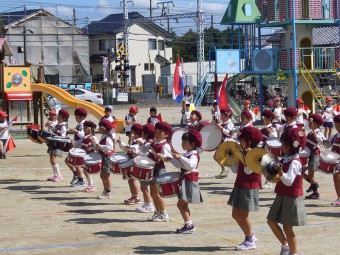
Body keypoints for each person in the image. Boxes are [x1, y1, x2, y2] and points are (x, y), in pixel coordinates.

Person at [267, 127, 306, 255]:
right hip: (282, 195)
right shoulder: (285, 159)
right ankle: (285, 245)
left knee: (288, 227)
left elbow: (289, 181)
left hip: (291, 196)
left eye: (283, 144)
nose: (281, 146)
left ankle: (294, 253)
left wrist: (280, 171)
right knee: (271, 221)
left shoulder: (295, 162)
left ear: (290, 146)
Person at [228, 126, 263, 251]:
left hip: (249, 187)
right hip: (240, 184)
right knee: (235, 214)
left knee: (243, 215)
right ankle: (250, 237)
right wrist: (228, 160)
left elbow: (249, 171)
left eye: (241, 140)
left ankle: (249, 240)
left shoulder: (255, 154)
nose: (239, 142)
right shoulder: (244, 152)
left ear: (248, 141)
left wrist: (244, 157)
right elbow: (237, 170)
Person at [168, 129, 203, 234]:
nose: (182, 144)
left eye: (184, 142)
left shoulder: (193, 155)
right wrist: (170, 159)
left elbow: (190, 165)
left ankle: (189, 224)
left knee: (180, 204)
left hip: (190, 181)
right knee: (183, 205)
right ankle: (188, 223)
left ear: (192, 144)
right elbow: (179, 165)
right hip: (186, 181)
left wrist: (180, 157)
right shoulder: (187, 154)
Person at [142, 121, 173, 222]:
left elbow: (169, 159)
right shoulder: (153, 142)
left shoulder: (165, 145)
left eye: (160, 132)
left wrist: (163, 156)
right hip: (152, 169)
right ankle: (157, 212)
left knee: (156, 194)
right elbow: (144, 150)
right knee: (153, 193)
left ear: (166, 134)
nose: (157, 133)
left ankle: (164, 213)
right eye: (156, 131)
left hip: (159, 170)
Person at [117, 123, 143, 205]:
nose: (131, 133)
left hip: (134, 162)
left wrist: (125, 145)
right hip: (131, 161)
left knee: (132, 180)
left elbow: (133, 149)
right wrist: (121, 143)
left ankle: (136, 197)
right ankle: (133, 196)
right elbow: (127, 149)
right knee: (130, 181)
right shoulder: (133, 140)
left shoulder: (139, 141)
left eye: (132, 131)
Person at [304, 114, 327, 200]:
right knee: (304, 173)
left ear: (316, 123)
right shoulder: (312, 131)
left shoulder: (317, 132)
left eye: (311, 122)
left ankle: (315, 191)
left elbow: (323, 141)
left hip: (315, 154)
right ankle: (313, 185)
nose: (309, 124)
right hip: (311, 154)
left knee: (310, 175)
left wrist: (316, 135)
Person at [136, 124, 156, 213]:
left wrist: (141, 144)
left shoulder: (149, 142)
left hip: (149, 168)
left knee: (144, 187)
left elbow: (144, 152)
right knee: (144, 187)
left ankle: (149, 204)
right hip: (148, 166)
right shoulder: (150, 142)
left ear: (146, 134)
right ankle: (146, 203)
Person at [66, 108, 87, 187]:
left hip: (80, 147)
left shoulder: (83, 125)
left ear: (82, 117)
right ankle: (76, 175)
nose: (75, 118)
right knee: (69, 161)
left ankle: (80, 180)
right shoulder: (80, 124)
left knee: (76, 163)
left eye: (76, 116)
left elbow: (82, 135)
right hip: (77, 146)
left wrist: (76, 131)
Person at [47, 109, 69, 182]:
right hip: (53, 143)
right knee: (51, 159)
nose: (58, 118)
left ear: (64, 118)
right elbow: (54, 132)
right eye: (58, 116)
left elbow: (63, 136)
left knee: (53, 159)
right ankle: (55, 175)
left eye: (60, 117)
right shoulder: (57, 125)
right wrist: (52, 128)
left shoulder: (63, 126)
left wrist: (58, 132)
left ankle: (59, 175)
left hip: (58, 144)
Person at [94, 120, 115, 199]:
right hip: (103, 156)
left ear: (104, 129)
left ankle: (108, 192)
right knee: (102, 175)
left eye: (100, 128)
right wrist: (94, 146)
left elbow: (109, 148)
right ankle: (105, 190)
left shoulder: (107, 138)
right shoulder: (103, 136)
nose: (98, 129)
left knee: (106, 175)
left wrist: (100, 146)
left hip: (107, 157)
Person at [215, 107, 235, 179]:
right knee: (216, 157)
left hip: (227, 143)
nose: (221, 116)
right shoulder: (223, 123)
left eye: (222, 115)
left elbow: (229, 133)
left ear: (226, 115)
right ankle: (224, 169)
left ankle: (225, 169)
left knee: (218, 156)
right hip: (223, 142)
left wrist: (222, 129)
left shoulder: (229, 123)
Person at [261, 110, 278, 189]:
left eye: (265, 118)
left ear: (269, 119)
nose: (263, 119)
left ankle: (269, 182)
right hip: (263, 147)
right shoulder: (265, 127)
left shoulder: (273, 128)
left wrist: (270, 132)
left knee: (268, 165)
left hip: (269, 148)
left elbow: (275, 138)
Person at [325, 114, 340, 206]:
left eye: (338, 125)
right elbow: (327, 145)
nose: (336, 127)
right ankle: (339, 197)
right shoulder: (335, 136)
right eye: (336, 125)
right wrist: (324, 141)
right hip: (336, 161)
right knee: (336, 178)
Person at [80, 120, 99, 192]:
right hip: (85, 155)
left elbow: (97, 146)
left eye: (86, 127)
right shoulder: (85, 137)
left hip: (90, 156)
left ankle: (91, 185)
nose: (84, 129)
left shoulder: (92, 137)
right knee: (85, 170)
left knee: (86, 170)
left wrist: (92, 145)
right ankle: (90, 184)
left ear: (91, 129)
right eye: (83, 127)